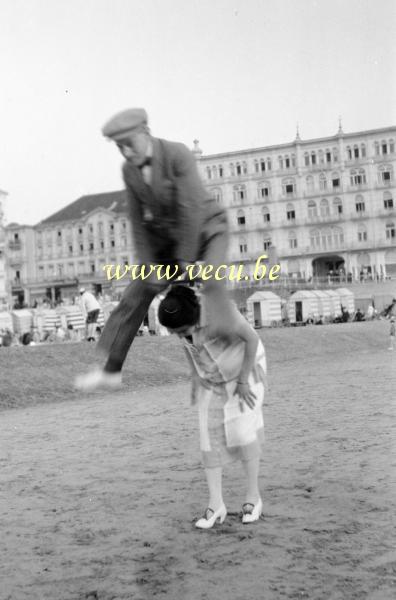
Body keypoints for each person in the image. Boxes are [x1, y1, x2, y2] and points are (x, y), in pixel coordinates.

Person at [75, 107, 230, 390]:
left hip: (207, 230)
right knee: (135, 294)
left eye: (129, 144)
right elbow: (138, 225)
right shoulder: (129, 171)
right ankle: (111, 371)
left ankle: (227, 360)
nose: (126, 152)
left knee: (212, 283)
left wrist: (185, 264)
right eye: (119, 147)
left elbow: (191, 209)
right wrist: (150, 267)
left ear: (146, 133)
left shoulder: (177, 154)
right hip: (168, 243)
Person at [158, 285, 266, 528]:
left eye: (182, 330)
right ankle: (216, 505)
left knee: (242, 431)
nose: (179, 335)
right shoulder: (183, 325)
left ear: (195, 317)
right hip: (212, 372)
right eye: (174, 332)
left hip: (246, 368)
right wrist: (195, 374)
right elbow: (187, 343)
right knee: (208, 434)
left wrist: (242, 380)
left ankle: (253, 498)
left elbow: (252, 338)